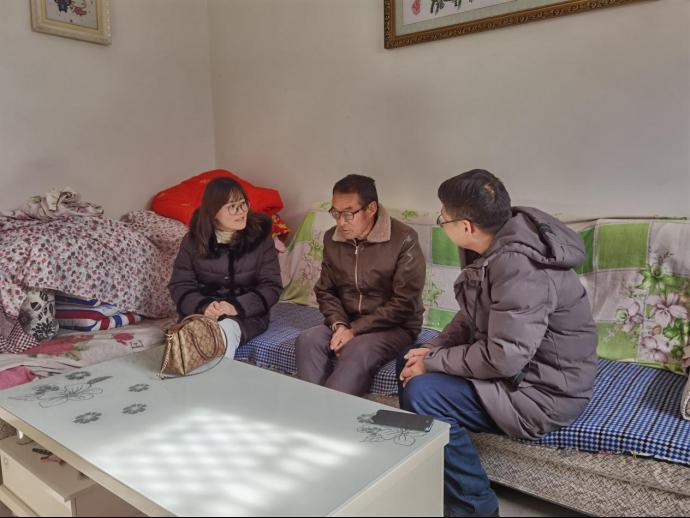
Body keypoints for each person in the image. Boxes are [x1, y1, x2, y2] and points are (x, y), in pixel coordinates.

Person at [398, 169, 597, 518]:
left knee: (421, 393)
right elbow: (471, 316)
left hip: (542, 394)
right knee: (410, 362)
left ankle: (475, 508)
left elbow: (504, 357)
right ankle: (430, 474)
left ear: (466, 226)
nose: (441, 222)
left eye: (443, 217)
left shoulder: (520, 267)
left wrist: (432, 363)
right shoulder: (499, 243)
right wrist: (432, 350)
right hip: (520, 373)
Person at [295, 174, 426, 396]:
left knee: (357, 349)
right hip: (346, 322)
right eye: (336, 213)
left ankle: (326, 411)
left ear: (371, 208)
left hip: (395, 327)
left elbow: (405, 302)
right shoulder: (332, 239)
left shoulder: (404, 239)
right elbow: (326, 291)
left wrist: (355, 330)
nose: (340, 222)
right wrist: (340, 326)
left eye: (348, 214)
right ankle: (313, 406)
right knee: (307, 340)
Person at [169, 177, 282, 358]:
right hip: (202, 314)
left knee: (224, 332)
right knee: (198, 336)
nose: (241, 212)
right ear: (213, 211)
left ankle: (216, 376)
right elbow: (180, 284)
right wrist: (204, 306)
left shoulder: (261, 238)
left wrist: (235, 307)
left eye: (243, 204)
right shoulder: (193, 241)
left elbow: (271, 286)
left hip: (246, 315)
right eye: (232, 207)